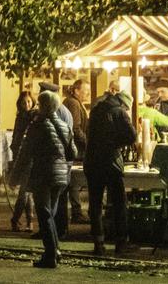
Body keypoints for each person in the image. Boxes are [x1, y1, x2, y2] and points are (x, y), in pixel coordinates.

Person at [14, 90, 77, 268]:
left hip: (44, 174)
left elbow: (25, 152)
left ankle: (50, 255)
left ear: (44, 106)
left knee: (44, 213)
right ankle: (55, 250)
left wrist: (15, 177)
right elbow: (73, 152)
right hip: (61, 176)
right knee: (50, 213)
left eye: (39, 104)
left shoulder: (38, 124)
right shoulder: (64, 125)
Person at [85, 90, 138, 256]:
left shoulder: (95, 110)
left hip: (92, 161)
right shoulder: (119, 112)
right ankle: (121, 242)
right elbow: (132, 136)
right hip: (110, 162)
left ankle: (98, 243)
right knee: (119, 203)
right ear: (123, 104)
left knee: (95, 203)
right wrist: (116, 143)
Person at [39, 80, 74, 238]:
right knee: (57, 201)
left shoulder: (48, 119)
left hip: (51, 166)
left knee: (48, 206)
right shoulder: (64, 113)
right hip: (63, 165)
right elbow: (72, 148)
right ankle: (58, 233)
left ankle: (53, 239)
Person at [9, 89, 37, 231]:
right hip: (21, 157)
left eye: (29, 101)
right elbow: (16, 137)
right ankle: (23, 221)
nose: (26, 104)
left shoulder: (34, 117)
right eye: (24, 102)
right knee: (25, 191)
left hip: (30, 157)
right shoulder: (20, 118)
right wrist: (15, 153)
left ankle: (21, 220)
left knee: (26, 191)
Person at [62, 80, 90, 222]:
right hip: (76, 149)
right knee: (74, 179)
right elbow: (76, 128)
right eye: (86, 90)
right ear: (77, 90)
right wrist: (88, 143)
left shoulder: (76, 102)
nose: (88, 93)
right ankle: (76, 211)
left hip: (75, 148)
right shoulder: (73, 103)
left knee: (73, 180)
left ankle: (76, 211)